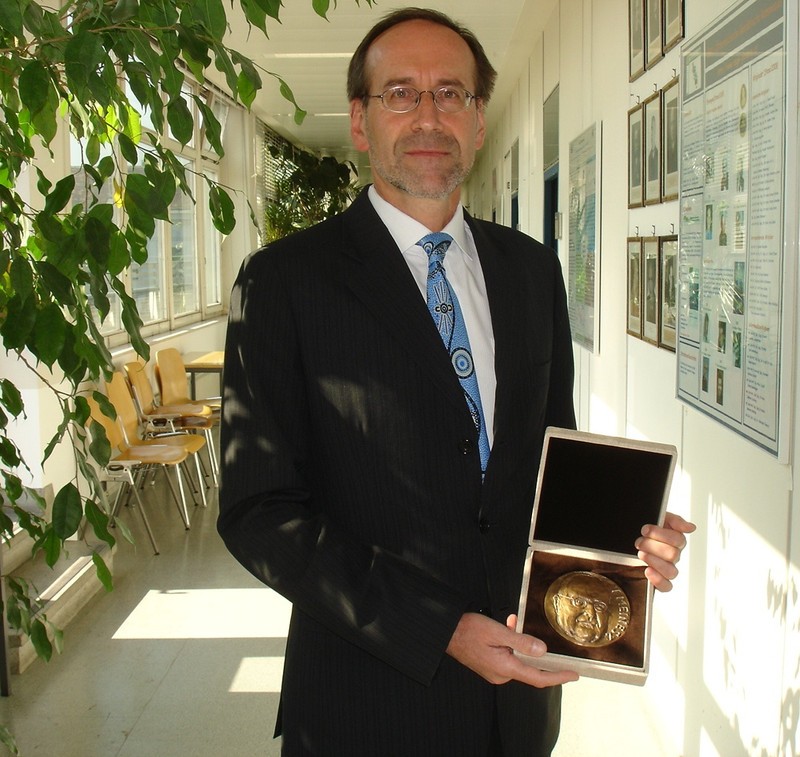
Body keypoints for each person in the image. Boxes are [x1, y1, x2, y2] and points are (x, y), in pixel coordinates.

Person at [218, 8, 696, 756]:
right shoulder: (284, 282)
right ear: (360, 121)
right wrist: (439, 628)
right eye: (401, 93)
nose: (429, 116)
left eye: (452, 94)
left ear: (478, 121)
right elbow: (259, 512)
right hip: (365, 703)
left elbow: (550, 457)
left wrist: (621, 541)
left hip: (519, 704)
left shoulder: (531, 271)